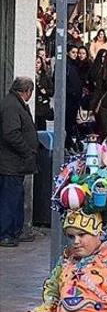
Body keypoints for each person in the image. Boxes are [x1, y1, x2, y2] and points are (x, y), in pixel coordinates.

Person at [0, 77, 39, 247]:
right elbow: (11, 134)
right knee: (10, 198)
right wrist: (27, 150)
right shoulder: (11, 106)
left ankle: (15, 231)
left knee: (15, 197)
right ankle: (6, 234)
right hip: (11, 162)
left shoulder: (15, 104)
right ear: (27, 91)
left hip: (15, 163)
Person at [65, 46, 85, 149]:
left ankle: (71, 144)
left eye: (77, 52)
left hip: (75, 100)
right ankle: (67, 144)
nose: (76, 54)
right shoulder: (66, 66)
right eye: (73, 52)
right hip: (68, 100)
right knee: (68, 124)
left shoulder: (76, 65)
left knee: (73, 123)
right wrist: (72, 92)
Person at [34, 57, 54, 131]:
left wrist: (46, 92)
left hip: (43, 107)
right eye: (35, 62)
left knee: (42, 127)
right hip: (33, 105)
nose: (36, 65)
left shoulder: (45, 77)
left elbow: (51, 91)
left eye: (38, 63)